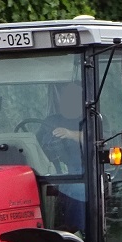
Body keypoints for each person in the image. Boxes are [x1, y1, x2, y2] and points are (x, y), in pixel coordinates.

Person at [38, 82, 87, 233]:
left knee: (79, 188)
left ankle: (78, 231)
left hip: (84, 172)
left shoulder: (91, 120)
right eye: (66, 97)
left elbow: (97, 139)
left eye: (73, 97)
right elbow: (36, 143)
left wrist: (70, 134)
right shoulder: (51, 121)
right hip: (52, 170)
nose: (68, 101)